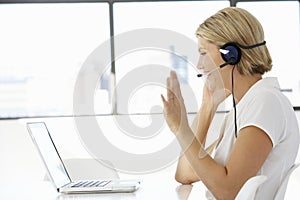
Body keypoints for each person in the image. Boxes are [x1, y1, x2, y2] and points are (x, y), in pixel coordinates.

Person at [161, 7, 300, 200]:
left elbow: (228, 191)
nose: (199, 65)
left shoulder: (265, 102)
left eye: (203, 52)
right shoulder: (243, 109)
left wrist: (180, 127)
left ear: (230, 54)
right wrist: (207, 109)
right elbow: (185, 173)